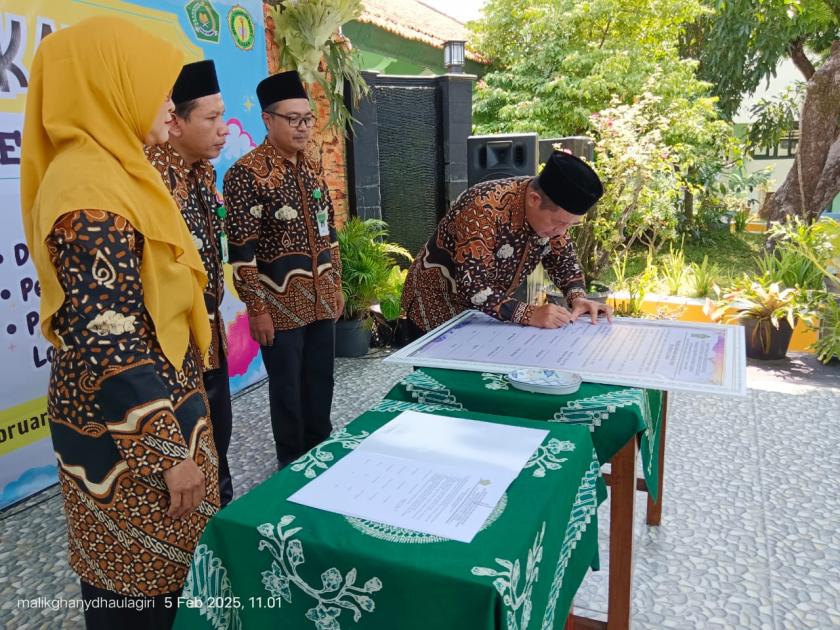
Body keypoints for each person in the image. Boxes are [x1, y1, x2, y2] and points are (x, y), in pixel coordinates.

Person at [20, 17, 218, 629]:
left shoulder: (121, 171)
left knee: (173, 584)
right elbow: (111, 343)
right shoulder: (88, 194)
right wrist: (166, 453)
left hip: (160, 411)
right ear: (111, 87)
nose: (169, 106)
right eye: (158, 89)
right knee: (136, 592)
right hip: (129, 440)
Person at [223, 71, 343, 468]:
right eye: (292, 119)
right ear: (267, 119)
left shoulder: (311, 166)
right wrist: (257, 309)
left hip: (321, 299)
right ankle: (291, 465)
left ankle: (321, 456)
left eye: (307, 119)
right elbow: (242, 252)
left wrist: (336, 285)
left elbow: (330, 231)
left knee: (320, 382)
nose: (302, 127)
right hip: (279, 308)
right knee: (288, 392)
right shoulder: (246, 173)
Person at [145, 60, 234, 507]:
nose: (223, 129)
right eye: (211, 118)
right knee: (191, 458)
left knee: (219, 445)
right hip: (170, 353)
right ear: (175, 123)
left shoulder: (202, 172)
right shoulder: (149, 180)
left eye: (223, 116)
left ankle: (224, 527)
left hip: (210, 339)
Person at [402, 150, 612, 337]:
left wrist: (577, 297)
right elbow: (474, 285)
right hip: (435, 306)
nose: (562, 232)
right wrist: (530, 314)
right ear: (534, 200)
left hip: (484, 314)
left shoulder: (552, 212)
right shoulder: (482, 207)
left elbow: (562, 258)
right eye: (559, 223)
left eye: (570, 225)